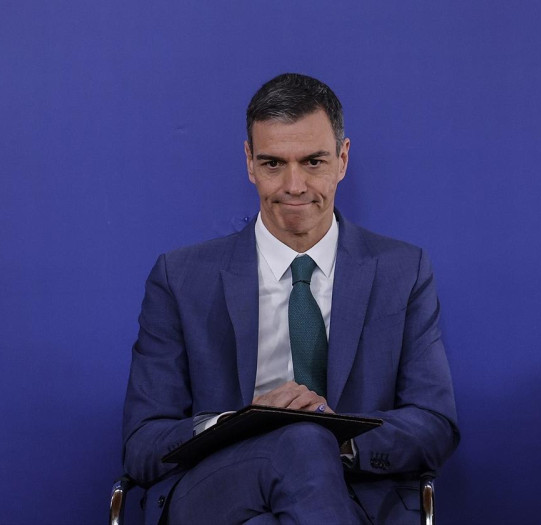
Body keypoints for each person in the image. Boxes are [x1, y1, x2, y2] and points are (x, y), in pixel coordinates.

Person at [122, 73, 460, 525]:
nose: (294, 186)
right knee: (297, 441)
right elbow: (143, 443)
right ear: (249, 162)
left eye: (314, 162)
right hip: (217, 490)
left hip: (358, 496)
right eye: (273, 164)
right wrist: (238, 423)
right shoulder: (180, 277)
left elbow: (434, 424)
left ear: (343, 158)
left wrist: (335, 436)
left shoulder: (404, 270)